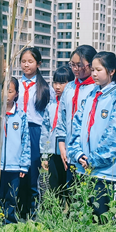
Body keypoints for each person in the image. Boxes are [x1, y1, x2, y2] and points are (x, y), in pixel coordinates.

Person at [67, 51, 116, 219]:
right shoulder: (92, 94)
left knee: (102, 218)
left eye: (99, 70)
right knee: (81, 217)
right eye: (93, 69)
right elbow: (77, 125)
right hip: (83, 167)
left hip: (104, 171)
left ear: (111, 71)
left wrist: (93, 160)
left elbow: (113, 136)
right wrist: (78, 153)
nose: (94, 74)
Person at [16, 47, 52, 219]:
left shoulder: (45, 88)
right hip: (16, 130)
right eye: (23, 61)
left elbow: (48, 116)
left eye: (30, 61)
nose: (26, 65)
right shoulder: (14, 85)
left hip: (35, 130)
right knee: (17, 170)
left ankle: (32, 212)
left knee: (32, 173)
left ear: (38, 64)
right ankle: (16, 210)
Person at [55, 46, 97, 186]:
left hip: (87, 153)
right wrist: (62, 144)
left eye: (79, 65)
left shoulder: (96, 89)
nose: (75, 69)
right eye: (72, 65)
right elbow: (62, 116)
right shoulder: (69, 88)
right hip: (69, 151)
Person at [0, 77, 30, 223]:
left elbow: (26, 142)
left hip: (14, 166)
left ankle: (9, 224)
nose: (6, 94)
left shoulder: (21, 116)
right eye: (2, 91)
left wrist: (24, 165)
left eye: (10, 91)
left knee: (11, 197)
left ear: (17, 94)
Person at [42, 65, 74, 194]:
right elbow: (45, 130)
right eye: (55, 82)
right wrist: (44, 155)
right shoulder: (51, 105)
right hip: (52, 153)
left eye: (62, 83)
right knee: (54, 189)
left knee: (69, 190)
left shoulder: (72, 104)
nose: (57, 86)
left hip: (68, 154)